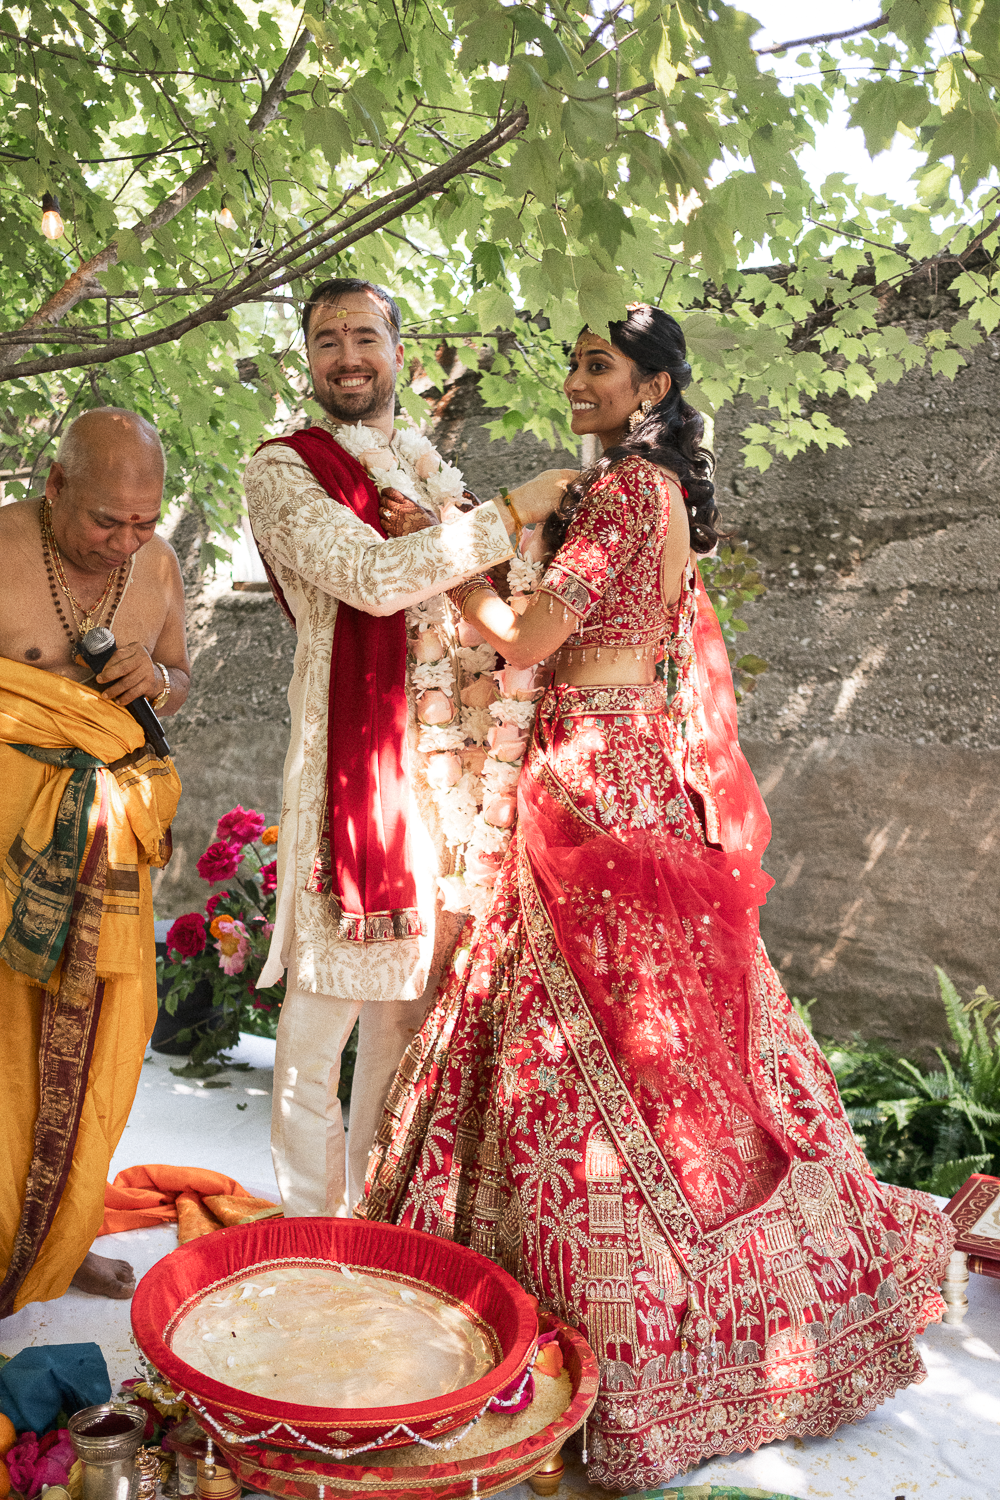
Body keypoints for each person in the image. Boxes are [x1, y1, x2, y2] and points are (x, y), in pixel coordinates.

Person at [359, 305, 955, 1489]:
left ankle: (629, 1328)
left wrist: (448, 555)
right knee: (673, 1039)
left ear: (654, 386)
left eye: (600, 366)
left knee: (587, 1034)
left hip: (592, 778)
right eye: (573, 363)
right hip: (636, 770)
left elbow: (525, 639)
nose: (576, 381)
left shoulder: (625, 494)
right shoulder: (656, 499)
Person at [243, 277, 573, 1218]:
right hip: (357, 783)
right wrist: (505, 514)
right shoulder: (284, 472)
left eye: (365, 336)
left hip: (445, 789)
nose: (346, 356)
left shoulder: (435, 479)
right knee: (318, 1037)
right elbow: (374, 578)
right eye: (325, 340)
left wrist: (481, 527)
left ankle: (376, 1227)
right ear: (308, 360)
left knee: (400, 1030)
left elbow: (498, 608)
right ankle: (311, 1238)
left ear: (403, 354)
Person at [0, 407, 186, 1316]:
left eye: (142, 522)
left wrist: (156, 678)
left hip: (105, 854)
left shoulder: (156, 566)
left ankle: (59, 1238)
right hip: (4, 850)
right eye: (105, 521)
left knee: (96, 1043)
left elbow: (181, 680)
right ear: (54, 483)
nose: (125, 542)